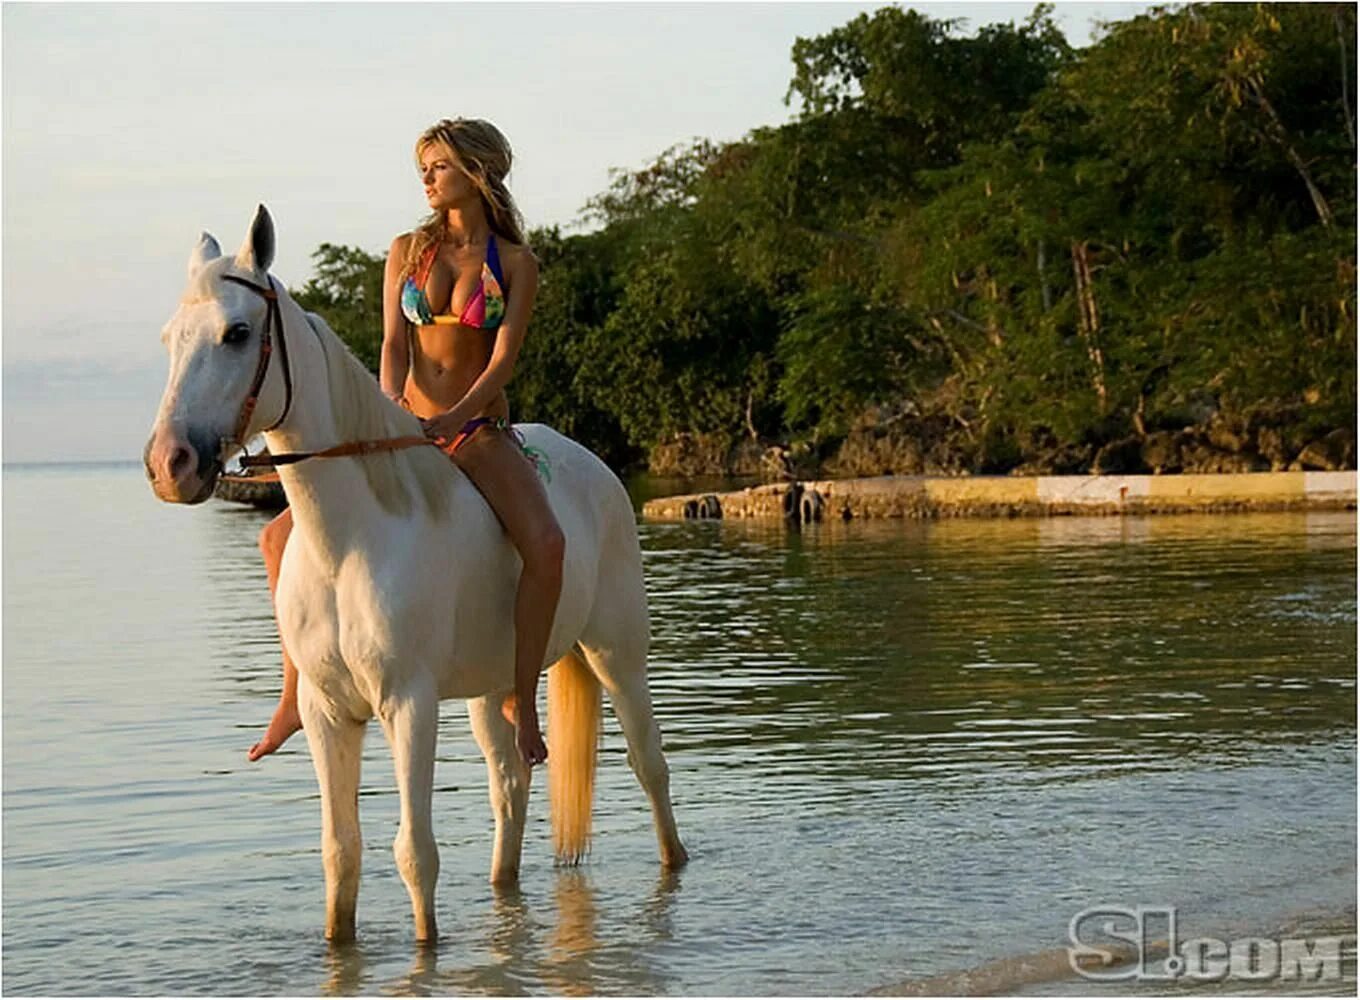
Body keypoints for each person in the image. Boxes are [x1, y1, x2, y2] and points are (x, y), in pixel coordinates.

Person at [248, 118, 562, 767]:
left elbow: (502, 361)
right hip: (405, 426)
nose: (426, 178)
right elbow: (393, 345)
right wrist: (390, 406)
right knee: (276, 537)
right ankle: (291, 693)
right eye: (423, 166)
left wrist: (459, 418)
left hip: (475, 429)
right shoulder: (406, 251)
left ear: (475, 173)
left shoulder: (516, 263)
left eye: (439, 166)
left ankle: (522, 697)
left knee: (548, 544)